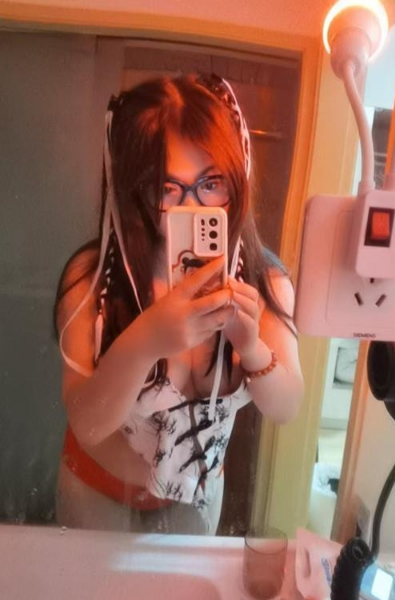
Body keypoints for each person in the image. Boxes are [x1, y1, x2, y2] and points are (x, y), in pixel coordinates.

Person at [54, 73, 304, 535]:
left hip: (198, 499)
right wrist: (146, 341)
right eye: (166, 188)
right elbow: (86, 424)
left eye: (212, 183)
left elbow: (287, 408)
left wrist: (251, 348)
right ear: (134, 190)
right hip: (98, 491)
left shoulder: (264, 280)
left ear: (238, 177)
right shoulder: (95, 279)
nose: (194, 206)